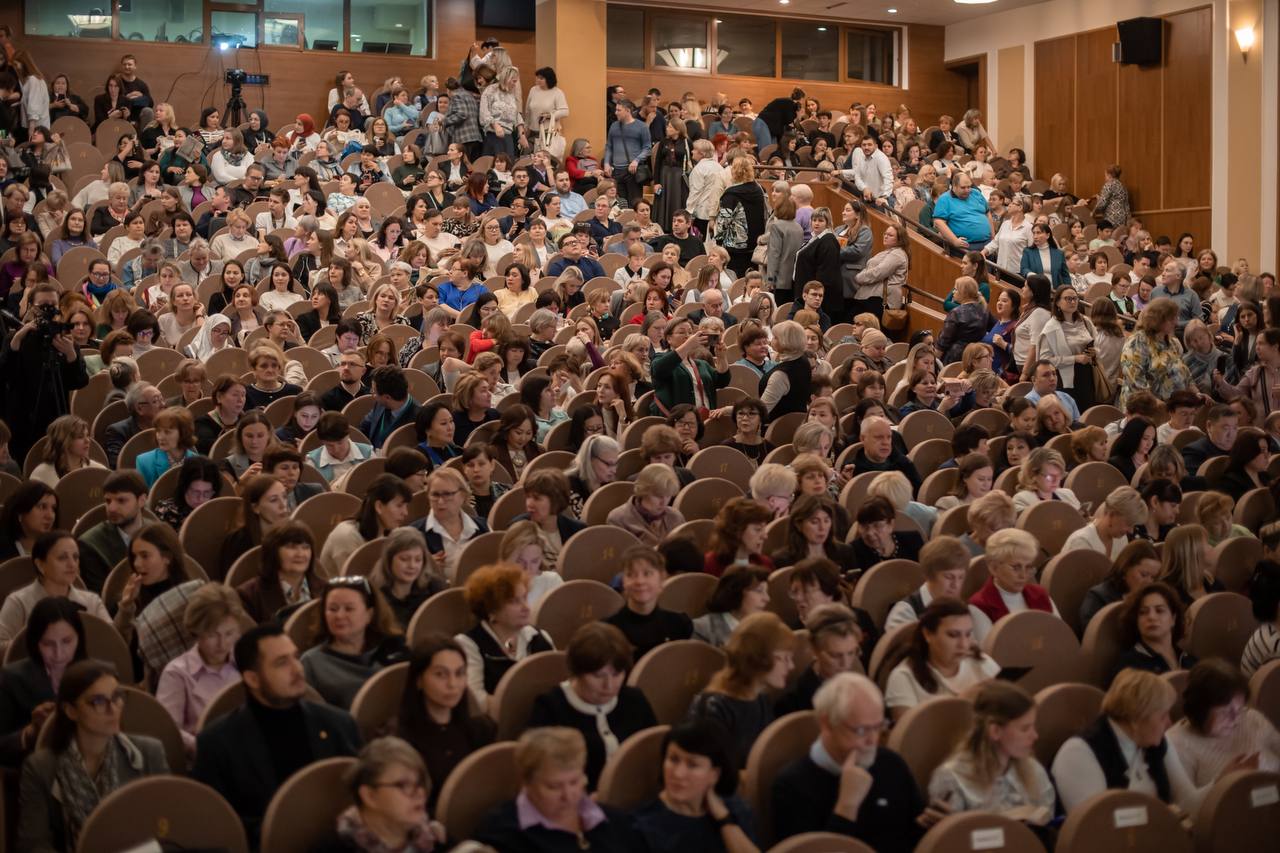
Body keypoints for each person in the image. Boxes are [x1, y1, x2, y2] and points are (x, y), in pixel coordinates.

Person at [193, 623, 361, 845]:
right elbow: (218, 826)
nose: (297, 669)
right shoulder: (217, 743)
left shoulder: (338, 723)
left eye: (295, 657)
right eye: (282, 663)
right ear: (253, 679)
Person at [17, 660, 169, 852]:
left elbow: (168, 828)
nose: (113, 709)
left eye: (116, 697)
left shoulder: (149, 753)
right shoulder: (40, 768)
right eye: (98, 701)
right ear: (71, 711)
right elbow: (33, 845)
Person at [772, 673, 930, 849]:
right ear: (827, 724)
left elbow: (914, 837)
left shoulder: (891, 764)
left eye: (878, 727)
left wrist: (932, 826)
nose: (872, 740)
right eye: (861, 730)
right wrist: (847, 805)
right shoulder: (792, 786)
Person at [1051, 667, 1201, 814]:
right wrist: (1159, 816)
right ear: (1137, 718)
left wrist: (1216, 787)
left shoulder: (1156, 741)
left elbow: (1187, 801)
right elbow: (1096, 822)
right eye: (1163, 716)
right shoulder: (1079, 753)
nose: (1169, 723)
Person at [473, 726, 647, 851]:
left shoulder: (614, 821)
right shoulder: (503, 834)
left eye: (574, 782)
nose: (568, 796)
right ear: (526, 782)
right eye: (554, 787)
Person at [529, 623, 657, 788]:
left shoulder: (634, 700)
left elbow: (653, 752)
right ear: (577, 672)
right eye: (598, 676)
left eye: (617, 674)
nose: (609, 685)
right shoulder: (551, 707)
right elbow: (539, 774)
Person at [927, 681, 1055, 827]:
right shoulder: (952, 778)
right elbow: (952, 836)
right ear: (995, 731)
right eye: (1025, 729)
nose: (1035, 736)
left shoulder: (1032, 768)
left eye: (1033, 726)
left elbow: (1048, 820)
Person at [391, 635, 496, 811]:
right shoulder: (400, 739)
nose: (452, 684)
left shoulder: (481, 730)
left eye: (459, 673)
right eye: (440, 674)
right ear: (419, 680)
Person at [688, 612, 794, 767]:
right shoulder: (714, 707)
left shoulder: (760, 698)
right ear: (758, 658)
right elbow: (714, 770)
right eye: (783, 658)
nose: (791, 666)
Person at [155, 583, 245, 755]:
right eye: (212, 635)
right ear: (196, 632)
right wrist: (204, 747)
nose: (222, 644)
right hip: (204, 758)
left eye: (229, 633)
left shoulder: (245, 660)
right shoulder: (177, 673)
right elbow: (169, 730)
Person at [455, 564, 554, 714]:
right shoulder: (468, 645)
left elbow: (557, 686)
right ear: (491, 609)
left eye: (525, 598)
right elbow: (476, 701)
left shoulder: (540, 638)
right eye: (514, 601)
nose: (526, 607)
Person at [0, 598, 86, 770]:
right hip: (36, 773)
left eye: (67, 641)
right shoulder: (11, 679)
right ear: (35, 643)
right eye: (48, 644)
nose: (59, 654)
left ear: (79, 638)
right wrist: (30, 732)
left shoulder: (96, 675)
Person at [1165, 660, 1280, 785]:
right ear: (1200, 710)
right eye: (1225, 712)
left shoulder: (1252, 719)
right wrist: (1223, 780)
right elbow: (1186, 798)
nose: (1236, 718)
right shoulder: (1177, 743)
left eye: (1240, 709)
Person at [885, 598, 1000, 720]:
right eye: (953, 635)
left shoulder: (981, 662)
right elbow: (909, 731)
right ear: (928, 634)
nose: (964, 644)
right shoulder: (904, 677)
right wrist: (963, 702)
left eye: (968, 634)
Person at [301, 576, 406, 710]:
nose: (339, 616)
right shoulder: (312, 662)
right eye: (333, 609)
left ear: (369, 614)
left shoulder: (391, 651)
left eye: (349, 609)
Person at [0, 532, 110, 657]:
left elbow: (111, 641)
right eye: (62, 558)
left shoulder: (92, 601)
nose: (72, 564)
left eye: (75, 557)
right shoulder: (19, 601)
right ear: (40, 565)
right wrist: (39, 642)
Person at [885, 536, 989, 640]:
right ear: (929, 575)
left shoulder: (970, 611)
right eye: (949, 577)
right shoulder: (905, 614)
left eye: (961, 577)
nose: (956, 585)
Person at [775, 603, 864, 717]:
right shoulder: (790, 708)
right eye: (835, 655)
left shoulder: (863, 690)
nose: (846, 664)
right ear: (814, 650)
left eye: (851, 653)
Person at [605, 546, 693, 659]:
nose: (640, 581)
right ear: (623, 582)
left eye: (647, 574)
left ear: (661, 578)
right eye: (631, 575)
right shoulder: (608, 631)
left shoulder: (679, 625)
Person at [234, 519, 327, 624]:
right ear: (273, 551)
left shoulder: (325, 590)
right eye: (291, 547)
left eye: (305, 547)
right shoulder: (249, 596)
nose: (300, 554)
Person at [319, 475, 413, 579]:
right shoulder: (346, 535)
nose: (405, 513)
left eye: (406, 506)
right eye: (399, 506)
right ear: (379, 506)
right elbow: (356, 582)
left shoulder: (392, 532)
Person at [410, 467, 488, 584]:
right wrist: (423, 569)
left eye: (447, 494)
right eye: (435, 495)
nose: (440, 501)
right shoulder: (414, 534)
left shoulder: (482, 527)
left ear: (462, 495)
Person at [1119, 298, 1196, 410]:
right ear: (1157, 320)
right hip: (1145, 409)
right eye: (1172, 319)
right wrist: (1165, 409)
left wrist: (1196, 394)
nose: (1176, 322)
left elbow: (1184, 371)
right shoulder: (1136, 343)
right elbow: (1137, 385)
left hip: (1172, 407)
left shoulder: (1169, 341)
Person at [1113, 581, 1198, 680]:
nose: (1151, 617)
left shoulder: (1190, 661)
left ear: (1173, 619)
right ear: (1136, 620)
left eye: (1159, 610)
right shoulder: (1128, 667)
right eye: (1143, 612)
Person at [1079, 540, 1162, 629]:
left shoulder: (1154, 599)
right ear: (1125, 569)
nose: (1150, 582)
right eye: (1144, 575)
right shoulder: (1098, 598)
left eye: (1154, 577)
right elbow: (1094, 634)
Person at [606, 464, 685, 547]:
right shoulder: (618, 519)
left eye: (668, 495)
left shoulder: (676, 517)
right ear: (643, 491)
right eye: (658, 495)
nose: (664, 502)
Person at [1063, 487, 1146, 559]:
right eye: (1128, 524)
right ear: (1112, 515)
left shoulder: (1122, 539)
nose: (1131, 531)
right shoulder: (1081, 541)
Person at [849, 496, 925, 572]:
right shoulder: (853, 551)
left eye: (877, 525)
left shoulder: (913, 541)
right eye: (864, 526)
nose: (870, 533)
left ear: (891, 524)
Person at [704, 498, 774, 578]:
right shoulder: (709, 565)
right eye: (758, 529)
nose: (765, 536)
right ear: (737, 531)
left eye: (764, 529)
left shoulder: (766, 564)